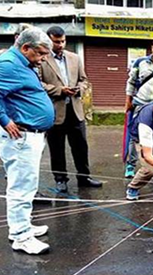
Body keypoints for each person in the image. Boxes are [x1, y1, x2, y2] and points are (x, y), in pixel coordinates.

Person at [0, 28, 55, 255]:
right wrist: (3, 119)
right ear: (25, 47)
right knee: (22, 187)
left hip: (30, 134)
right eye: (39, 53)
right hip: (21, 136)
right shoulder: (9, 63)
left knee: (27, 184)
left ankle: (22, 226)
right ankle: (21, 237)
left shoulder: (21, 63)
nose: (42, 59)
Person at [39, 26, 102, 193]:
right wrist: (60, 90)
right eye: (56, 42)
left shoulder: (74, 58)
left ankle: (84, 177)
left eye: (63, 41)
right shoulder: (41, 59)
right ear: (48, 41)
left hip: (75, 109)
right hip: (54, 111)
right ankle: (60, 179)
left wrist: (79, 89)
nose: (60, 45)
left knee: (81, 147)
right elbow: (38, 84)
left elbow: (84, 79)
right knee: (57, 148)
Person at [124, 36, 153, 178]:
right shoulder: (140, 62)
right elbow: (131, 82)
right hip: (140, 104)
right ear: (152, 48)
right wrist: (128, 101)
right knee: (134, 136)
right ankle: (130, 165)